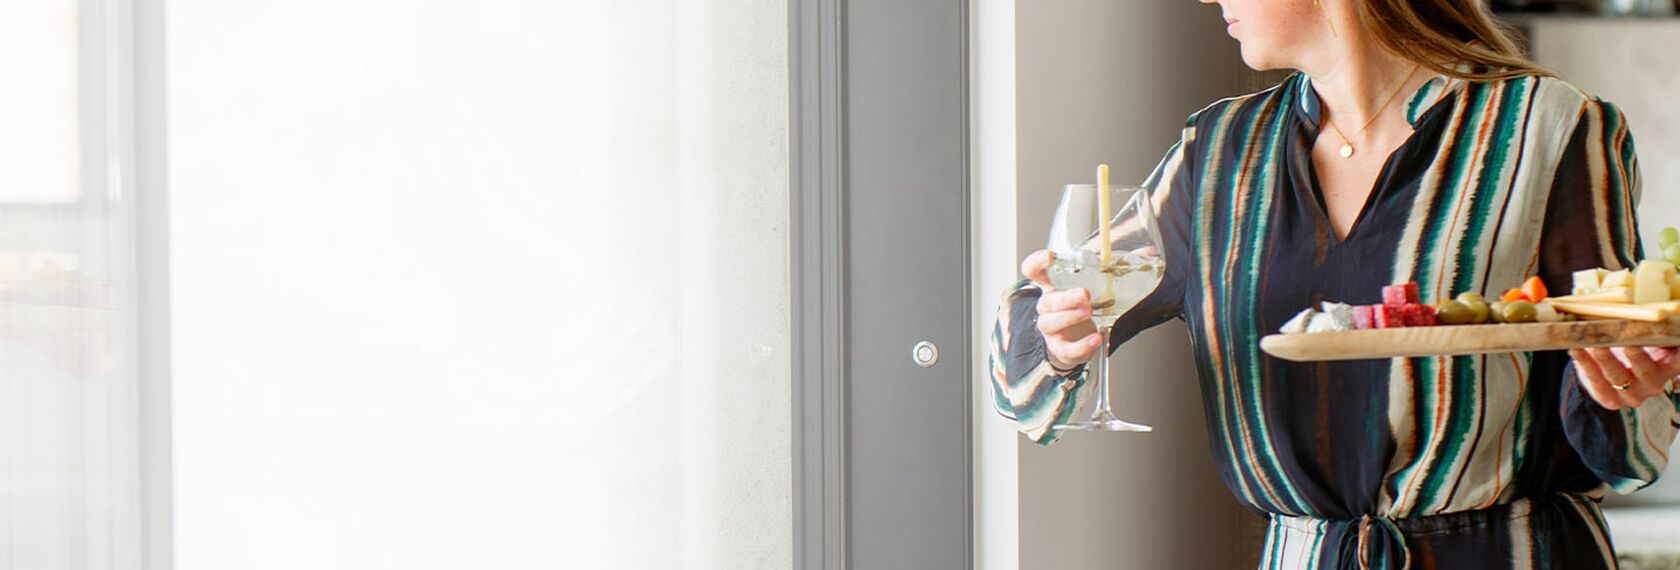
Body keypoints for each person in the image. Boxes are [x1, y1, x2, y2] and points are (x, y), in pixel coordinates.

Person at [987, 0, 1680, 567]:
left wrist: (1629, 384)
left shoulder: (1546, 127)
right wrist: (1058, 336)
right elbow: (1034, 335)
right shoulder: (1217, 154)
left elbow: (1619, 396)